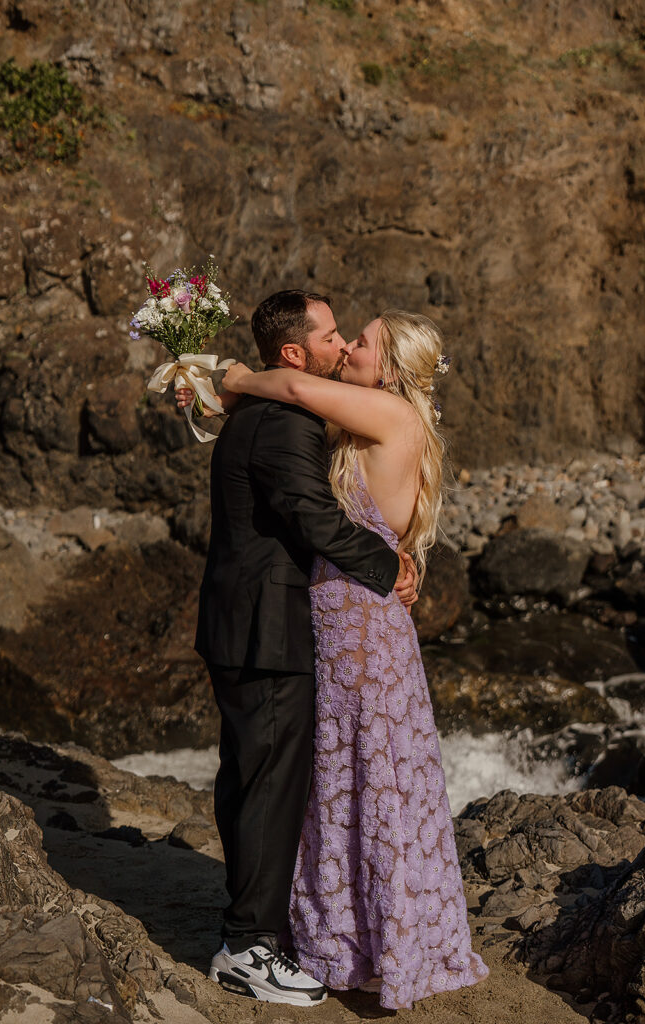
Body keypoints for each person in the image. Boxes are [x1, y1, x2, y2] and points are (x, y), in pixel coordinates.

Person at [220, 309, 489, 1010]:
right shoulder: (378, 420)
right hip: (348, 615)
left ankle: (366, 938)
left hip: (357, 621)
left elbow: (302, 392)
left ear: (391, 366)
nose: (346, 350)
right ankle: (353, 934)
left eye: (361, 342)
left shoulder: (391, 414)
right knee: (356, 772)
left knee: (359, 771)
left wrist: (241, 376)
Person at [176, 290, 417, 1007]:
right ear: (294, 353)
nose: (341, 346)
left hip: (245, 622)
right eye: (332, 335)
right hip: (264, 628)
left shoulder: (266, 410)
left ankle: (256, 932)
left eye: (349, 337)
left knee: (253, 780)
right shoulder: (283, 421)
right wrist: (388, 568)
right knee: (268, 788)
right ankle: (248, 948)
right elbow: (309, 516)